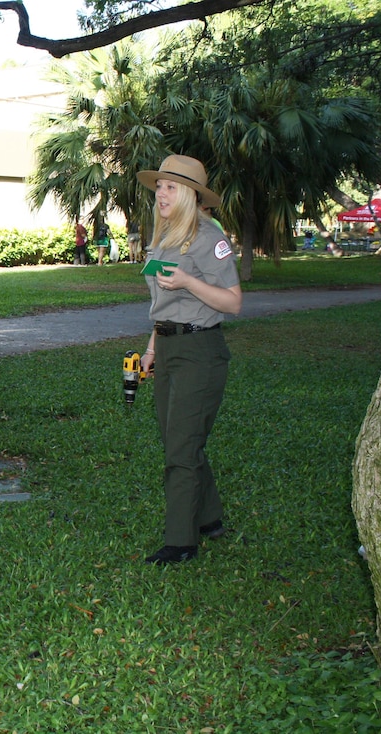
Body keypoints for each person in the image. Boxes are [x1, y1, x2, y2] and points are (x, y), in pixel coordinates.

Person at [135, 154, 242, 565]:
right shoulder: (164, 235)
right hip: (169, 346)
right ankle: (209, 517)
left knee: (180, 446)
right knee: (177, 438)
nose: (161, 192)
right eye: (159, 186)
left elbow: (233, 303)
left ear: (191, 195)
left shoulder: (207, 236)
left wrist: (188, 281)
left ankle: (181, 541)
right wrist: (151, 349)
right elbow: (163, 304)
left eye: (171, 186)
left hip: (201, 351)